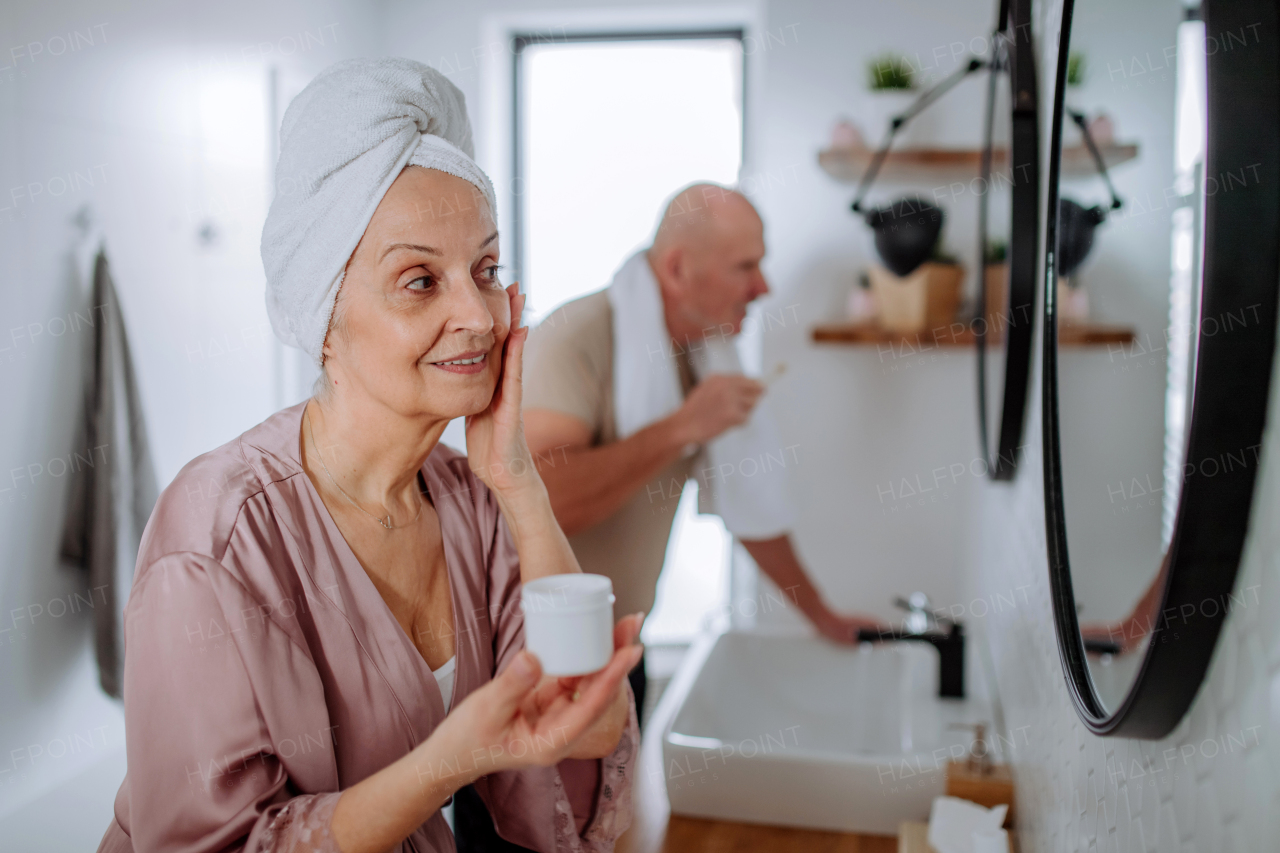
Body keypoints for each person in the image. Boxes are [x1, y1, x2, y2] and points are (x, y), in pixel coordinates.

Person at [96, 58, 639, 853]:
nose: (480, 315)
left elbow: (584, 733)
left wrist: (519, 481)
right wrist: (452, 759)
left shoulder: (472, 503)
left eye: (487, 270)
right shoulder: (217, 536)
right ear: (324, 316)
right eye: (420, 280)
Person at [522, 184, 885, 720]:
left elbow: (752, 509)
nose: (763, 287)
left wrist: (822, 618)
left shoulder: (704, 355)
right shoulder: (573, 339)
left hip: (621, 650)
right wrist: (684, 426)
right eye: (747, 266)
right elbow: (545, 503)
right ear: (677, 270)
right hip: (532, 661)